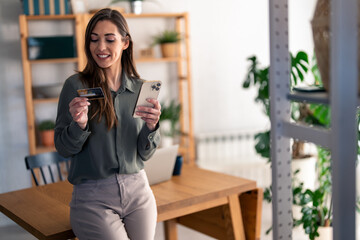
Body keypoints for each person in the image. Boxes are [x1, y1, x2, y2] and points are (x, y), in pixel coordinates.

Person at [54, 8, 161, 240]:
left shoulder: (140, 89)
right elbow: (63, 148)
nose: (100, 47)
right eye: (94, 40)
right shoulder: (75, 86)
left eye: (109, 39)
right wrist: (78, 125)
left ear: (125, 43)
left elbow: (144, 154)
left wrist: (152, 128)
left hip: (138, 191)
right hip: (93, 198)